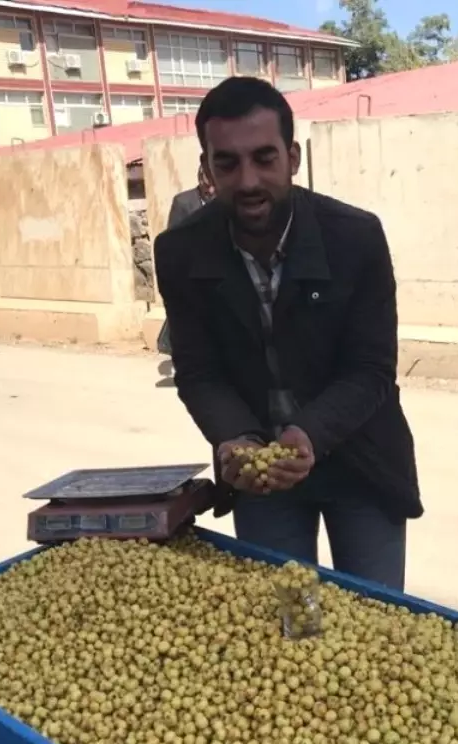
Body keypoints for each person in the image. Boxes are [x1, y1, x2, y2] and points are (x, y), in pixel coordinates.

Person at [153, 77, 421, 590]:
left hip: (360, 460)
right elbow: (199, 371)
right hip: (260, 475)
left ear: (292, 158)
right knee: (287, 630)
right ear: (206, 168)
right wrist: (236, 439)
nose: (248, 180)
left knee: (375, 623)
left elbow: (370, 369)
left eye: (264, 157)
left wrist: (309, 434)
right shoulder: (181, 251)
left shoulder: (355, 238)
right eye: (227, 163)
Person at [157, 168, 216, 355]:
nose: (211, 188)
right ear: (200, 178)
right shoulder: (183, 202)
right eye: (207, 180)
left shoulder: (226, 200)